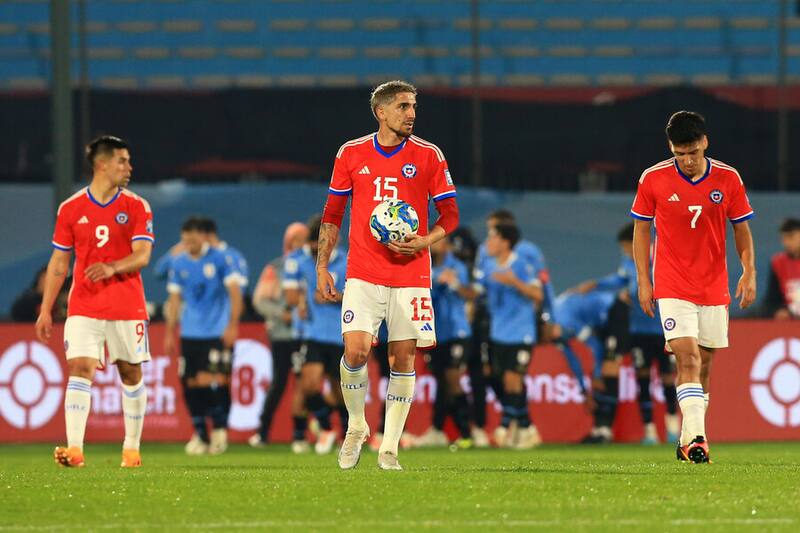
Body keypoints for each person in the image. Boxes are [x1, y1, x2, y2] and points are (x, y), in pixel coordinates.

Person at [316, 80, 459, 470]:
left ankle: (390, 448)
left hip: (412, 274)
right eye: (402, 106)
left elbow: (451, 215)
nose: (411, 113)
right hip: (363, 272)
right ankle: (357, 425)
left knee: (403, 358)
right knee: (356, 350)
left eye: (413, 106)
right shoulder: (351, 153)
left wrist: (425, 240)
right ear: (380, 112)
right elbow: (332, 215)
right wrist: (322, 267)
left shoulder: (429, 156)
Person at [630, 111, 756, 463]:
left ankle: (687, 441)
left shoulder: (729, 179)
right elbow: (641, 230)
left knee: (704, 367)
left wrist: (749, 271)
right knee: (687, 357)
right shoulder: (653, 179)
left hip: (714, 286)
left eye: (692, 152)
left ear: (705, 143)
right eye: (679, 153)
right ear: (671, 148)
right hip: (672, 284)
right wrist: (644, 279)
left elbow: (741, 228)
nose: (686, 161)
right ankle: (700, 438)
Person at [35, 135, 154, 468]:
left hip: (126, 304)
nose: (129, 167)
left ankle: (131, 450)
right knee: (80, 367)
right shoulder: (71, 208)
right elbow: (59, 263)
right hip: (84, 304)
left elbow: (143, 255)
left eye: (128, 161)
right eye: (122, 161)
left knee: (130, 373)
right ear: (102, 165)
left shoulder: (136, 206)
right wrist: (46, 309)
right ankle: (75, 450)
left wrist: (113, 267)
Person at [570, 223, 679, 444]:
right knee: (643, 378)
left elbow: (668, 284)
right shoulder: (629, 263)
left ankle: (672, 427)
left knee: (668, 378)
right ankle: (649, 430)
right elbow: (620, 279)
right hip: (638, 329)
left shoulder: (662, 258)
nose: (626, 252)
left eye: (627, 247)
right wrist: (596, 284)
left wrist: (629, 293)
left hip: (664, 328)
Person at [164, 216, 243, 455]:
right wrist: (170, 332)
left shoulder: (221, 259)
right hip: (189, 332)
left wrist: (232, 325)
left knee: (210, 381)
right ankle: (201, 434)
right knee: (188, 382)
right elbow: (174, 300)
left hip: (215, 331)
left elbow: (235, 294)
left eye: (193, 239)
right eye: (185, 240)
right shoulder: (178, 263)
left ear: (203, 237)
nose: (190, 244)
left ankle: (219, 430)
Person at [474, 223, 543, 449]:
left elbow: (537, 294)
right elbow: (477, 292)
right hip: (498, 333)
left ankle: (504, 428)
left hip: (522, 332)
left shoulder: (522, 265)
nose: (488, 243)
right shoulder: (489, 266)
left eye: (492, 238)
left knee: (514, 379)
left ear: (505, 242)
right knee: (507, 382)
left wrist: (514, 282)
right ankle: (527, 428)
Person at [284, 215, 349, 455]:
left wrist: (334, 296)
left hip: (340, 332)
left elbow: (356, 294)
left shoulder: (348, 260)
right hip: (309, 332)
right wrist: (302, 297)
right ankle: (325, 426)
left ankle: (347, 434)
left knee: (340, 389)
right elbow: (290, 296)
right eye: (312, 244)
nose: (315, 249)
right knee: (309, 385)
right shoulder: (296, 261)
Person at [248, 222, 309, 447]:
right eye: (297, 239)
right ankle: (262, 432)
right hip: (283, 335)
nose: (301, 244)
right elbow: (259, 300)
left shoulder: (314, 266)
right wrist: (281, 313)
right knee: (279, 383)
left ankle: (300, 435)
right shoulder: (276, 268)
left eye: (304, 239)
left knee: (305, 385)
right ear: (289, 242)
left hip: (306, 333)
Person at [414, 235, 474, 448]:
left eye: (437, 241)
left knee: (452, 379)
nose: (433, 244)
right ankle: (439, 430)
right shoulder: (422, 265)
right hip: (435, 333)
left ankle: (467, 433)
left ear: (447, 244)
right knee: (443, 382)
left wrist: (455, 283)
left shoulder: (456, 266)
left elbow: (470, 294)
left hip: (457, 332)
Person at [763, 218, 800, 319]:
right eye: (783, 239)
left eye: (791, 237)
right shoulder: (778, 263)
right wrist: (778, 311)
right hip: (791, 321)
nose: (787, 243)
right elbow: (772, 298)